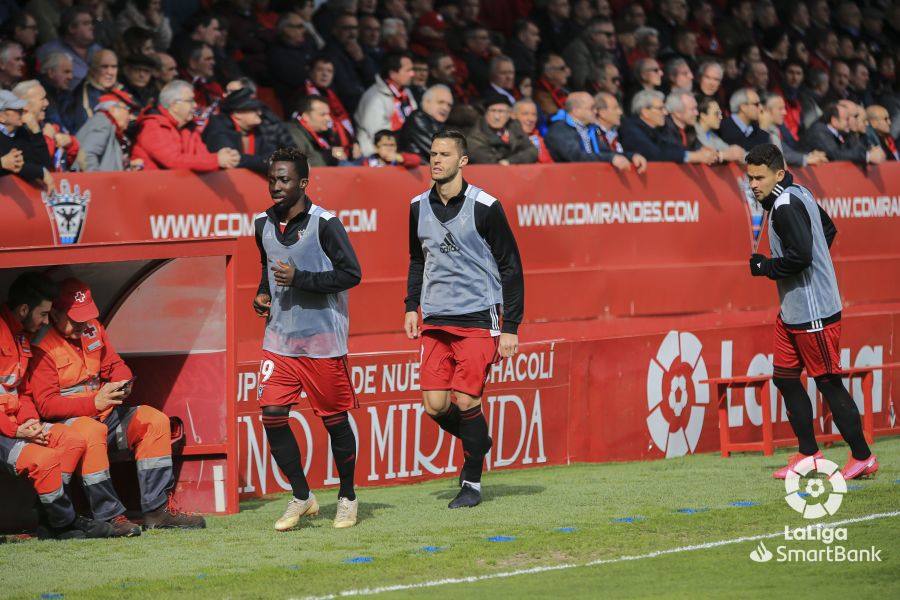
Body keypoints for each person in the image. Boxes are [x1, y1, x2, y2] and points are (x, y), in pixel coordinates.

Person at [28, 278, 206, 534]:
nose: (83, 324)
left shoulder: (93, 329)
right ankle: (110, 516)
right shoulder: (42, 344)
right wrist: (93, 402)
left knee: (153, 420)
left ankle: (157, 511)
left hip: (104, 415)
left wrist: (123, 379)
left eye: (86, 317)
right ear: (54, 313)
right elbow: (45, 406)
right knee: (91, 431)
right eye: (75, 318)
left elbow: (114, 364)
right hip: (66, 426)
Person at [744, 143, 879, 481]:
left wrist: (766, 267)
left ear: (778, 173)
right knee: (785, 378)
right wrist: (815, 263)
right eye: (750, 178)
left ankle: (862, 456)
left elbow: (801, 257)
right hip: (794, 309)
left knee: (828, 383)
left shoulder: (786, 205)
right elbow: (827, 230)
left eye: (759, 178)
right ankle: (808, 454)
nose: (753, 185)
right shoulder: (798, 192)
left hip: (813, 312)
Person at [404, 130, 524, 509]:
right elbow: (417, 259)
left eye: (444, 154)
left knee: (466, 399)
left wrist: (511, 326)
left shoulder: (486, 206)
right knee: (435, 406)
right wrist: (411, 305)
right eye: (432, 154)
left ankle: (471, 481)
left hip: (477, 317)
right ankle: (479, 441)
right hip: (435, 318)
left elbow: (511, 267)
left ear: (463, 161)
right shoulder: (417, 206)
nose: (435, 160)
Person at [251, 147, 362, 530]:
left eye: (284, 180)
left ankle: (347, 497)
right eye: (272, 179)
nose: (276, 186)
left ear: (302, 182)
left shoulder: (326, 224)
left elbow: (351, 274)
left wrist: (302, 280)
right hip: (278, 342)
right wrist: (263, 292)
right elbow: (267, 268)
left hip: (322, 342)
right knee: (272, 415)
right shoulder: (261, 224)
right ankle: (302, 496)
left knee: (334, 421)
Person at [0, 272, 113, 540]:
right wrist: (16, 431)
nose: (45, 322)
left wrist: (29, 422)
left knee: (72, 441)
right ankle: (64, 524)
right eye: (42, 314)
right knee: (46, 458)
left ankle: (52, 522)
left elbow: (23, 391)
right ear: (24, 309)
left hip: (17, 425)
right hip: (4, 430)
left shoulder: (21, 337)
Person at [132, 80, 240, 172]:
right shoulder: (153, 126)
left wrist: (227, 159)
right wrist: (216, 160)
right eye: (190, 101)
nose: (195, 105)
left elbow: (202, 156)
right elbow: (173, 160)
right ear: (174, 105)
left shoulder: (189, 127)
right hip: (152, 191)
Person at [619, 89, 716, 164]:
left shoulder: (656, 130)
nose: (665, 112)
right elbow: (654, 154)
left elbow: (673, 148)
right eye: (660, 108)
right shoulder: (631, 129)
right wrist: (693, 156)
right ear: (645, 112)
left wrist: (699, 152)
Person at [355, 52, 417, 156]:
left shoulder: (407, 92)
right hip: (376, 157)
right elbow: (380, 136)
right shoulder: (374, 97)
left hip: (402, 150)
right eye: (408, 70)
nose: (412, 74)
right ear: (393, 74)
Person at [203, 88, 273, 174]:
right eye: (254, 109)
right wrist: (263, 162)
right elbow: (231, 159)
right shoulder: (218, 126)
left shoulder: (259, 129)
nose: (260, 113)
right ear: (237, 113)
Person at [35, 6, 101, 91]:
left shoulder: (97, 49)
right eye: (86, 23)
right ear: (71, 28)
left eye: (91, 23)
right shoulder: (49, 50)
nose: (92, 27)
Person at [59, 49, 121, 135]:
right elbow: (89, 131)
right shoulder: (84, 96)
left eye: (114, 67)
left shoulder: (121, 89)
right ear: (93, 69)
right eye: (104, 67)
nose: (110, 72)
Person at [75, 90, 140, 171]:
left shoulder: (107, 124)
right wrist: (97, 181)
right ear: (113, 109)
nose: (130, 117)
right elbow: (86, 155)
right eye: (128, 110)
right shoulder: (103, 123)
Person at [801, 102, 884, 165]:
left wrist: (870, 149)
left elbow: (852, 149)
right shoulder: (819, 131)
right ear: (834, 121)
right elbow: (835, 154)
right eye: (847, 119)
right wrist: (867, 156)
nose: (850, 122)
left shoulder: (842, 133)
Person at [0, 90, 53, 188]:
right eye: (17, 109)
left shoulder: (21, 132)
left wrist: (36, 131)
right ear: (1, 117)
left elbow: (44, 164)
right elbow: (14, 166)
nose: (23, 111)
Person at [467, 93, 537, 165]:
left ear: (509, 114)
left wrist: (509, 161)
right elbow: (491, 163)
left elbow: (532, 151)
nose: (497, 117)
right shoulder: (475, 136)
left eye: (501, 111)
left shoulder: (514, 126)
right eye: (493, 111)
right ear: (486, 113)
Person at [761, 94, 827, 167]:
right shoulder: (760, 132)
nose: (784, 112)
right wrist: (806, 159)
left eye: (784, 108)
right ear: (766, 110)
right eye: (780, 109)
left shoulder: (774, 130)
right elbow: (779, 156)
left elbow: (786, 151)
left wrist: (809, 155)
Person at [399, 83, 453, 162]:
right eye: (441, 102)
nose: (445, 108)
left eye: (449, 105)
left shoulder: (442, 126)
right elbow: (438, 150)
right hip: (416, 172)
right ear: (426, 102)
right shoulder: (417, 118)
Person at [288, 95, 343, 167]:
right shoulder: (293, 133)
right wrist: (330, 154)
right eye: (323, 114)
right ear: (306, 117)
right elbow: (301, 164)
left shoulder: (325, 132)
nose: (329, 118)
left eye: (328, 114)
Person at [694, 96, 745, 162]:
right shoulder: (692, 135)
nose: (720, 117)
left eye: (720, 113)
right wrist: (723, 155)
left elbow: (731, 152)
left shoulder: (711, 135)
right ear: (703, 116)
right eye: (716, 114)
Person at [511, 99, 553, 163]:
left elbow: (548, 165)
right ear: (513, 116)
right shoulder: (504, 138)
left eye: (534, 114)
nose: (531, 119)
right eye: (525, 114)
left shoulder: (538, 139)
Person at [534, 53, 570, 118]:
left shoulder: (562, 91)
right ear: (549, 73)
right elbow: (556, 117)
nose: (568, 71)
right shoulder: (541, 94)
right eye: (562, 68)